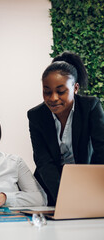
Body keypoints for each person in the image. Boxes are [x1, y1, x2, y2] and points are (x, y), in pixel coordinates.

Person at [27, 51, 104, 206]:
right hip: (50, 186)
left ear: (75, 88)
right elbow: (43, 161)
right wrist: (63, 198)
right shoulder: (36, 116)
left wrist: (94, 189)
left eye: (61, 91)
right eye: (47, 92)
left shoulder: (91, 107)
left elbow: (101, 150)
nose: (53, 98)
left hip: (85, 180)